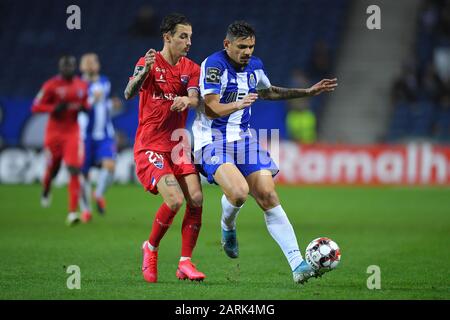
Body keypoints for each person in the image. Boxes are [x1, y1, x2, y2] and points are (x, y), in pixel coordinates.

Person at [193, 21, 337, 284]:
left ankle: (297, 264)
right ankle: (228, 226)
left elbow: (267, 92)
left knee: (268, 195)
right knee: (238, 193)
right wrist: (239, 103)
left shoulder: (255, 66)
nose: (247, 51)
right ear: (227, 45)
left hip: (244, 140)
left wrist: (307, 91)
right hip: (211, 140)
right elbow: (211, 108)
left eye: (251, 46)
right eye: (241, 47)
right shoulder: (213, 66)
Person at [124, 13, 205, 283]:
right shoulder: (148, 62)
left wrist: (186, 100)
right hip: (150, 145)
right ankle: (151, 248)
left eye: (190, 37)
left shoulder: (191, 68)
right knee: (175, 199)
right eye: (183, 36)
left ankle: (185, 263)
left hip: (178, 145)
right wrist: (144, 71)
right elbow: (129, 92)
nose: (188, 42)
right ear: (167, 37)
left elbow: (194, 98)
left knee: (196, 198)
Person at [31, 55, 89, 226]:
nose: (67, 69)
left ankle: (72, 212)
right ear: (60, 67)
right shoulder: (51, 85)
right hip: (54, 134)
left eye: (70, 65)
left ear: (74, 66)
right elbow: (35, 106)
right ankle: (47, 187)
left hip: (72, 133)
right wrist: (53, 108)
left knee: (73, 168)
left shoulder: (81, 85)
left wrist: (85, 107)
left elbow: (86, 103)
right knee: (53, 168)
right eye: (64, 66)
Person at [78, 53, 119, 222]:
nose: (90, 64)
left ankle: (98, 194)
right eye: (87, 61)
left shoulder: (105, 82)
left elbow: (104, 105)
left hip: (104, 135)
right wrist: (90, 100)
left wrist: (112, 104)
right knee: (83, 174)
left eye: (93, 61)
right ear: (81, 66)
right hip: (84, 136)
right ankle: (86, 210)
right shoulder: (78, 86)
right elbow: (79, 107)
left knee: (110, 166)